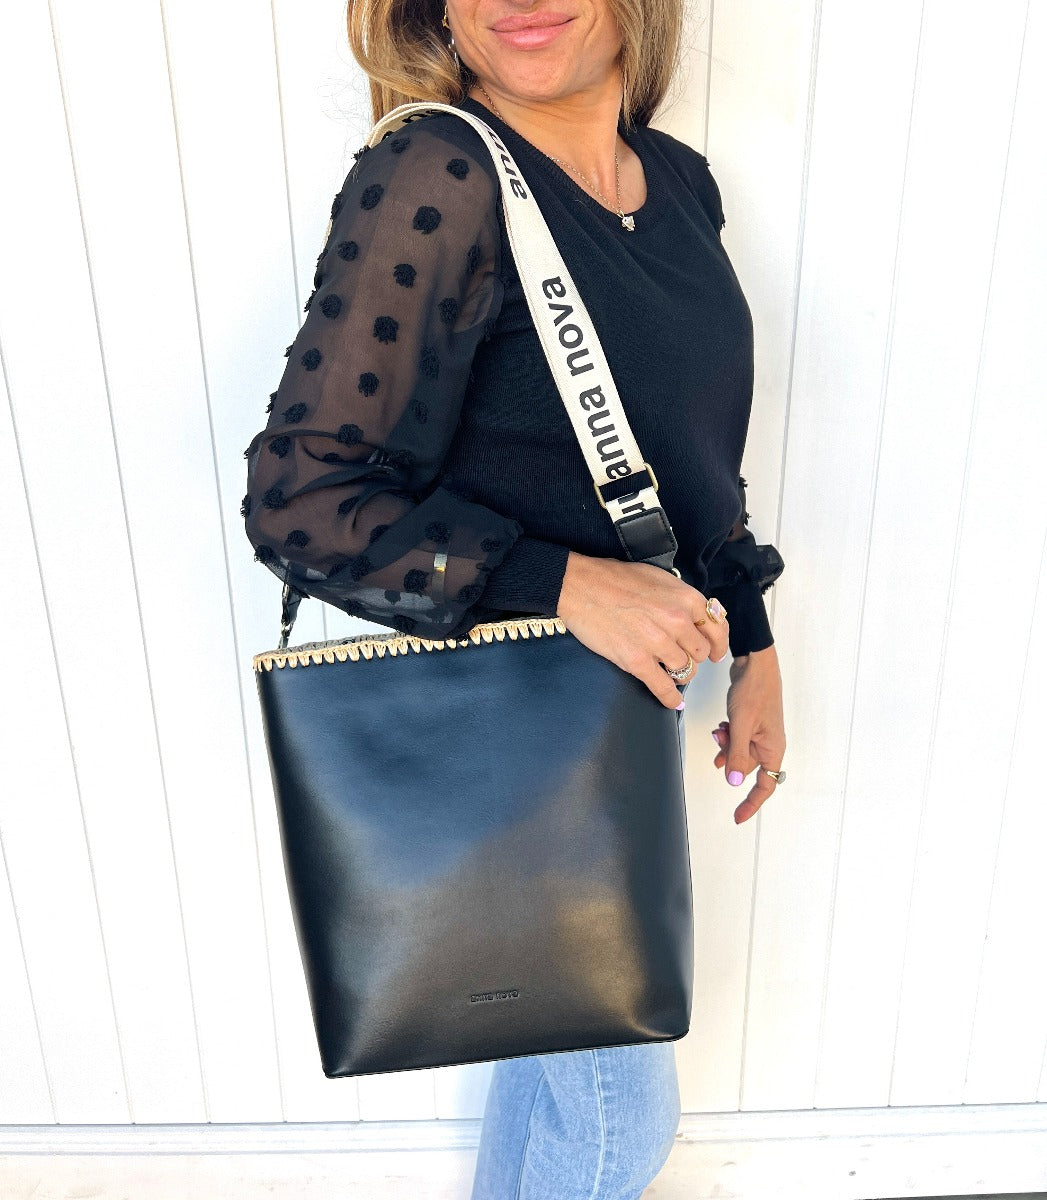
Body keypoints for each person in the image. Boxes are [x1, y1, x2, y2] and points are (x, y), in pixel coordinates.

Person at [242, 0, 787, 1193]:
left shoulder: (679, 183)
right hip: (508, 736)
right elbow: (300, 498)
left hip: (622, 722)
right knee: (616, 1121)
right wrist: (563, 583)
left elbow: (696, 466)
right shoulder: (437, 171)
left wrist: (752, 643)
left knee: (554, 1075)